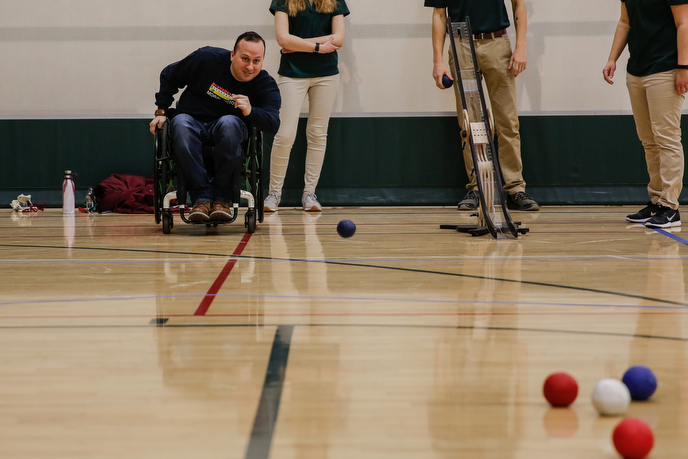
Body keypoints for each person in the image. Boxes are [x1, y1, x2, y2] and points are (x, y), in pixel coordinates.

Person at [150, 31, 281, 222]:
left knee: (229, 122)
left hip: (228, 130)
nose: (250, 66)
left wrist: (251, 111)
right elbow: (169, 75)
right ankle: (201, 199)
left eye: (256, 60)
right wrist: (161, 111)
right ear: (232, 55)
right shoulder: (206, 59)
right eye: (245, 59)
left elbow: (273, 124)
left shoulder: (264, 83)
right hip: (191, 121)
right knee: (180, 123)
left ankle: (222, 199)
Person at [426, 0, 540, 212]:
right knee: (470, 121)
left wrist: (521, 46)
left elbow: (519, 4)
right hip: (461, 46)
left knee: (507, 120)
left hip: (496, 43)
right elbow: (439, 15)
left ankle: (515, 188)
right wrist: (437, 61)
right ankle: (477, 187)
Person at [604, 0, 688, 229]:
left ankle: (670, 207)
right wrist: (612, 58)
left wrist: (684, 68)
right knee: (649, 141)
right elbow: (624, 22)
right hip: (637, 71)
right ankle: (657, 201)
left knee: (667, 139)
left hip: (665, 69)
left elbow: (684, 23)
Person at [263, 0, 350, 213]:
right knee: (284, 134)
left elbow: (338, 39)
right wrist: (319, 47)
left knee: (318, 133)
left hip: (327, 74)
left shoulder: (335, 1)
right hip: (292, 73)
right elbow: (282, 39)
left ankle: (309, 194)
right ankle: (274, 194)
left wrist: (298, 44)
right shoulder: (283, 1)